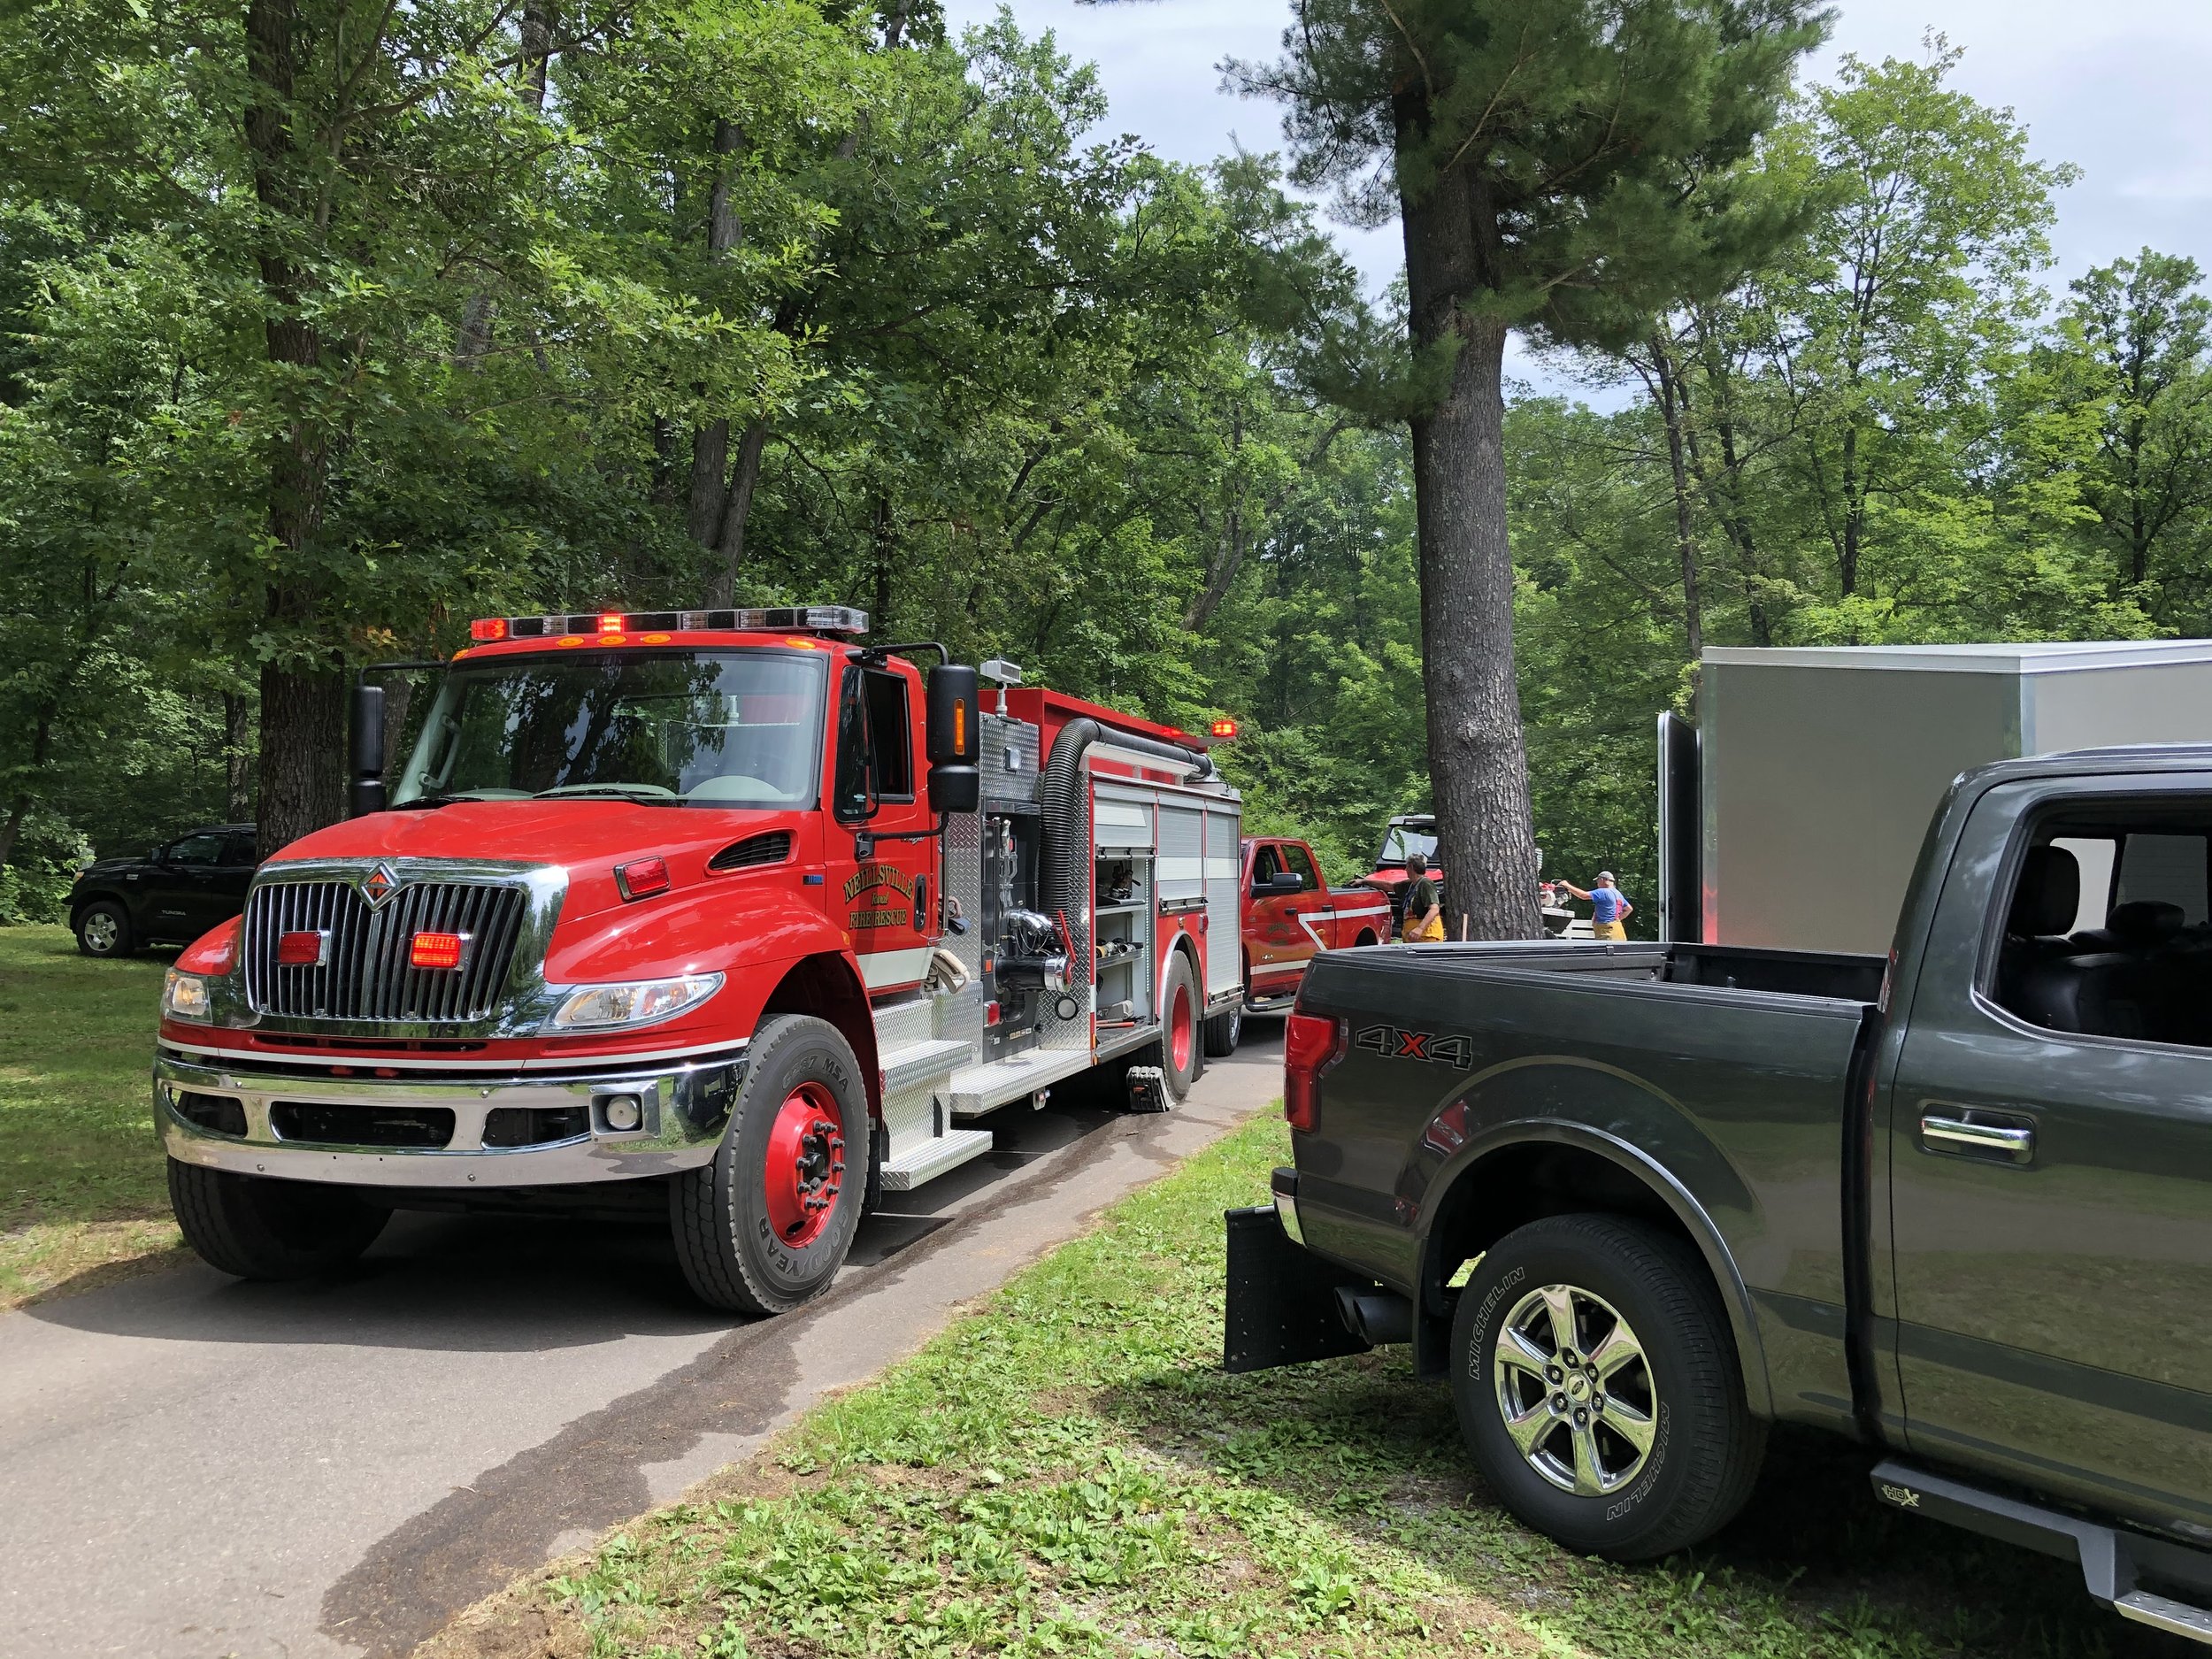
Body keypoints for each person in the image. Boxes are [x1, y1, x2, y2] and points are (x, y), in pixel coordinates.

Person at [1562, 872, 1632, 941]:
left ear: (1602, 880)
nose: (1597, 884)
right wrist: (1616, 919)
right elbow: (1629, 909)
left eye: (1597, 881)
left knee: (1605, 951)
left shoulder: (1603, 891)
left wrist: (1566, 885)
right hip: (1618, 929)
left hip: (1606, 931)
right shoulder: (1617, 893)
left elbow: (1583, 895)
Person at [1402, 852, 1445, 942]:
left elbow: (1434, 909)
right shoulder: (1411, 885)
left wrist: (1420, 928)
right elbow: (1389, 886)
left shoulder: (1426, 884)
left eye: (1407, 867)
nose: (1405, 869)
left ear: (1411, 867)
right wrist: (1366, 882)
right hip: (1415, 939)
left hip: (1427, 937)